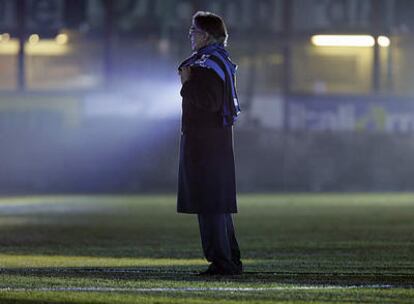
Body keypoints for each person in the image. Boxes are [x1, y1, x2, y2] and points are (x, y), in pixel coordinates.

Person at [177, 11, 242, 275]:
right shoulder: (217, 61)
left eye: (194, 32)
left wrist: (186, 84)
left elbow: (210, 102)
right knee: (217, 204)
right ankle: (230, 260)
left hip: (205, 145)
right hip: (214, 143)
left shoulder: (207, 64)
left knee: (210, 204)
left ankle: (222, 262)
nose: (191, 37)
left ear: (205, 35)